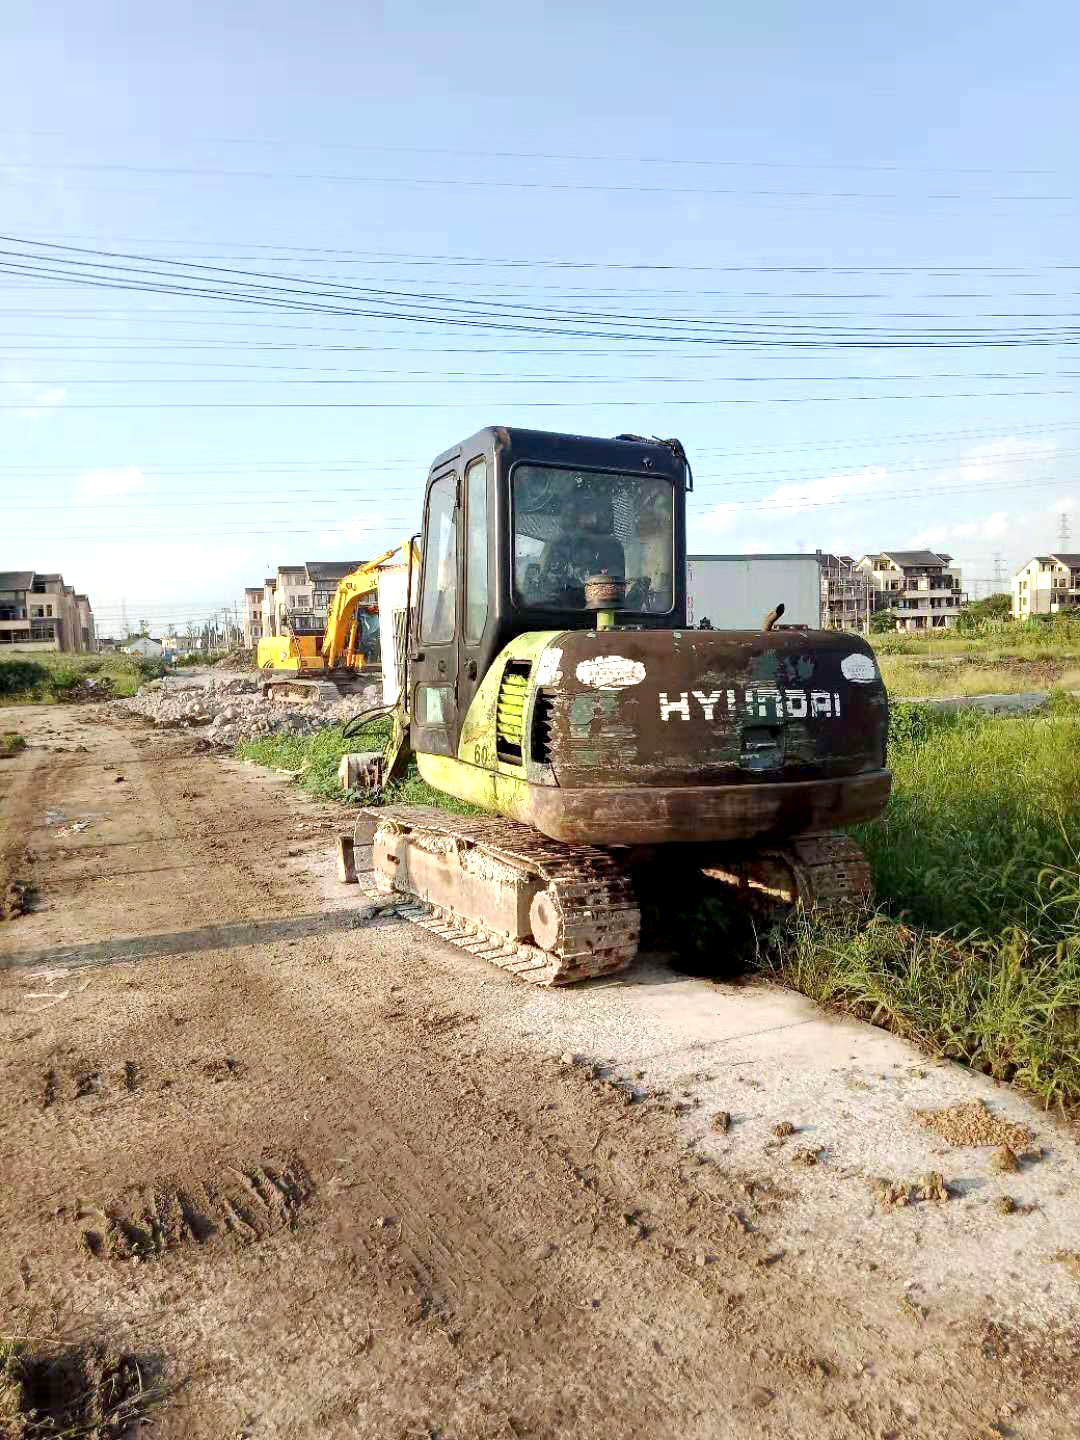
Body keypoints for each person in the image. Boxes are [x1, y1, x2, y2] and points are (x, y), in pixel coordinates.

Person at [539, 486, 624, 604]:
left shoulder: (612, 547)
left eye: (593, 510)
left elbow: (612, 595)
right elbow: (549, 591)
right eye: (584, 510)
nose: (591, 518)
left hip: (598, 610)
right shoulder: (559, 545)